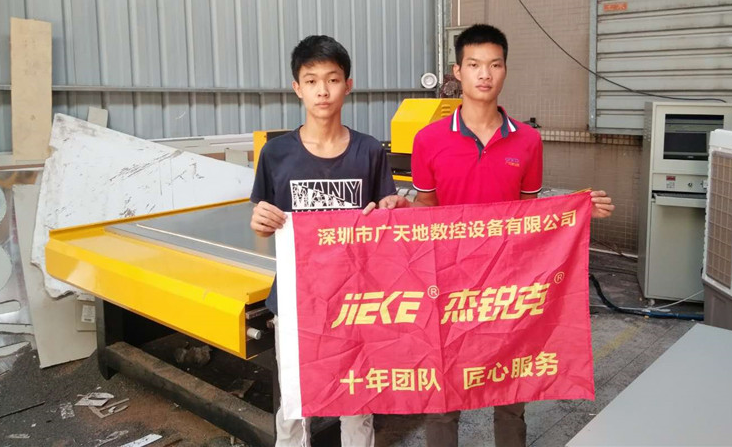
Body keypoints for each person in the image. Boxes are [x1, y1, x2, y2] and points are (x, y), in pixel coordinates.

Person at [411, 23, 614, 447]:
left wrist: (576, 212)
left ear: (505, 70)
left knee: (511, 388)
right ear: (458, 72)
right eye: (474, 65)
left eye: (495, 64)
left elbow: (530, 216)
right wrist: (396, 211)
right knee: (443, 395)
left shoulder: (528, 141)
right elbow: (425, 211)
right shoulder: (428, 140)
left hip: (509, 285)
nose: (484, 74)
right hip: (448, 285)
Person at [250, 35, 407, 447]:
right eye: (312, 80)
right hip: (296, 300)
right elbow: (264, 224)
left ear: (347, 86)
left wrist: (392, 208)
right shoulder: (275, 154)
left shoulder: (369, 151)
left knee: (357, 401)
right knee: (294, 405)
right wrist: (260, 222)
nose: (323, 90)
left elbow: (384, 223)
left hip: (357, 300)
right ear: (297, 88)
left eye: (333, 79)